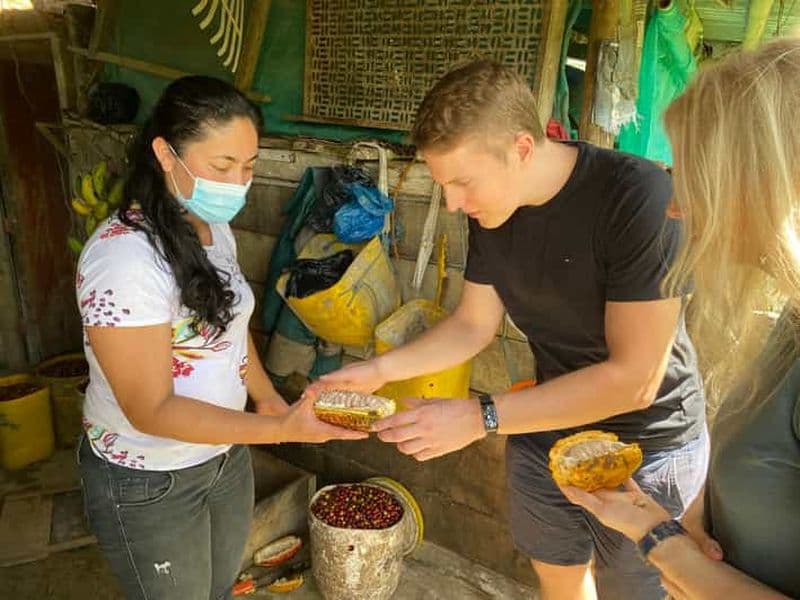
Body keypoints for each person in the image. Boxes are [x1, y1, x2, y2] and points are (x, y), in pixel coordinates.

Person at [319, 59, 707, 599]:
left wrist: (483, 416)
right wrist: (376, 370)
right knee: (558, 578)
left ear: (523, 148)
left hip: (649, 440)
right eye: (442, 183)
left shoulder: (635, 197)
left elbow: (633, 379)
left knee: (635, 591)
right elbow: (473, 324)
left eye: (461, 182)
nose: (453, 202)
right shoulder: (491, 210)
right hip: (543, 424)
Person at [75, 76, 365, 600]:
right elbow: (151, 410)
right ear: (166, 153)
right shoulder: (123, 259)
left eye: (249, 166)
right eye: (222, 167)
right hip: (150, 478)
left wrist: (270, 399)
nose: (238, 183)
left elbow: (229, 332)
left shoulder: (212, 227)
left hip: (224, 458)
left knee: (218, 588)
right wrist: (279, 430)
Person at [560, 37, 800, 600]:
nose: (674, 207)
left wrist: (658, 541)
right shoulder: (790, 322)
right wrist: (681, 517)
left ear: (759, 186)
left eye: (690, 175)